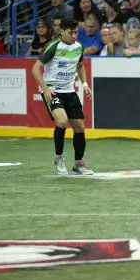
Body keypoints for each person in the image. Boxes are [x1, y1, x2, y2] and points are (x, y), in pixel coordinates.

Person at [32, 17, 93, 175]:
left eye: (76, 33)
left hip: (69, 91)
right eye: (71, 33)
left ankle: (79, 164)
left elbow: (80, 65)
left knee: (79, 127)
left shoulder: (79, 46)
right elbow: (36, 69)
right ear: (62, 31)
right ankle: (59, 158)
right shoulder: (53, 46)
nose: (74, 36)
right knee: (62, 121)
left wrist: (85, 84)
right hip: (52, 89)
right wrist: (45, 89)